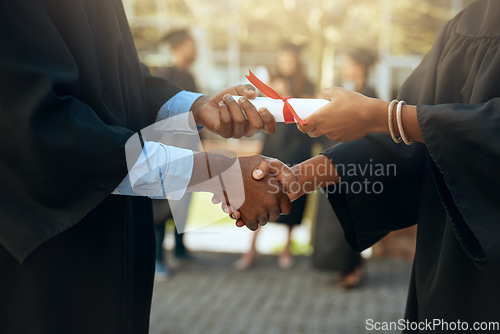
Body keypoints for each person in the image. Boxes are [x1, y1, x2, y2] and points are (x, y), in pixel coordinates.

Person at [0, 1, 288, 333]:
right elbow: (39, 127)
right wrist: (215, 172)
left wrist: (195, 106)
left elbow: (119, 81)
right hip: (53, 258)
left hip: (120, 244)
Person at [238, 0, 500, 329]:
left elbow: (412, 123)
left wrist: (383, 115)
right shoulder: (464, 26)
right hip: (446, 265)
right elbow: (410, 142)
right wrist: (297, 178)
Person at [234, 43, 317, 271]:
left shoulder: (307, 85)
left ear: (296, 61)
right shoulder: (272, 81)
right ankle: (251, 249)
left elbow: (309, 114)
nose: (285, 63)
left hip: (298, 145)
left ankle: (287, 248)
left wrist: (293, 97)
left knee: (292, 193)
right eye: (282, 59)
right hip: (275, 142)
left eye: (289, 59)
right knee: (262, 190)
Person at [313, 47, 379, 289]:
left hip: (357, 165)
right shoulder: (350, 93)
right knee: (337, 217)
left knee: (352, 217)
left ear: (359, 66)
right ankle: (343, 266)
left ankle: (356, 269)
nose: (344, 68)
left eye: (347, 63)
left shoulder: (368, 94)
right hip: (339, 162)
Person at [153, 28, 199, 281]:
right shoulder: (165, 75)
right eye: (193, 44)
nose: (196, 50)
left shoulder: (189, 76)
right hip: (168, 151)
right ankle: (158, 259)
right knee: (162, 207)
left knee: (183, 203)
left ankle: (180, 249)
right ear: (179, 47)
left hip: (189, 150)